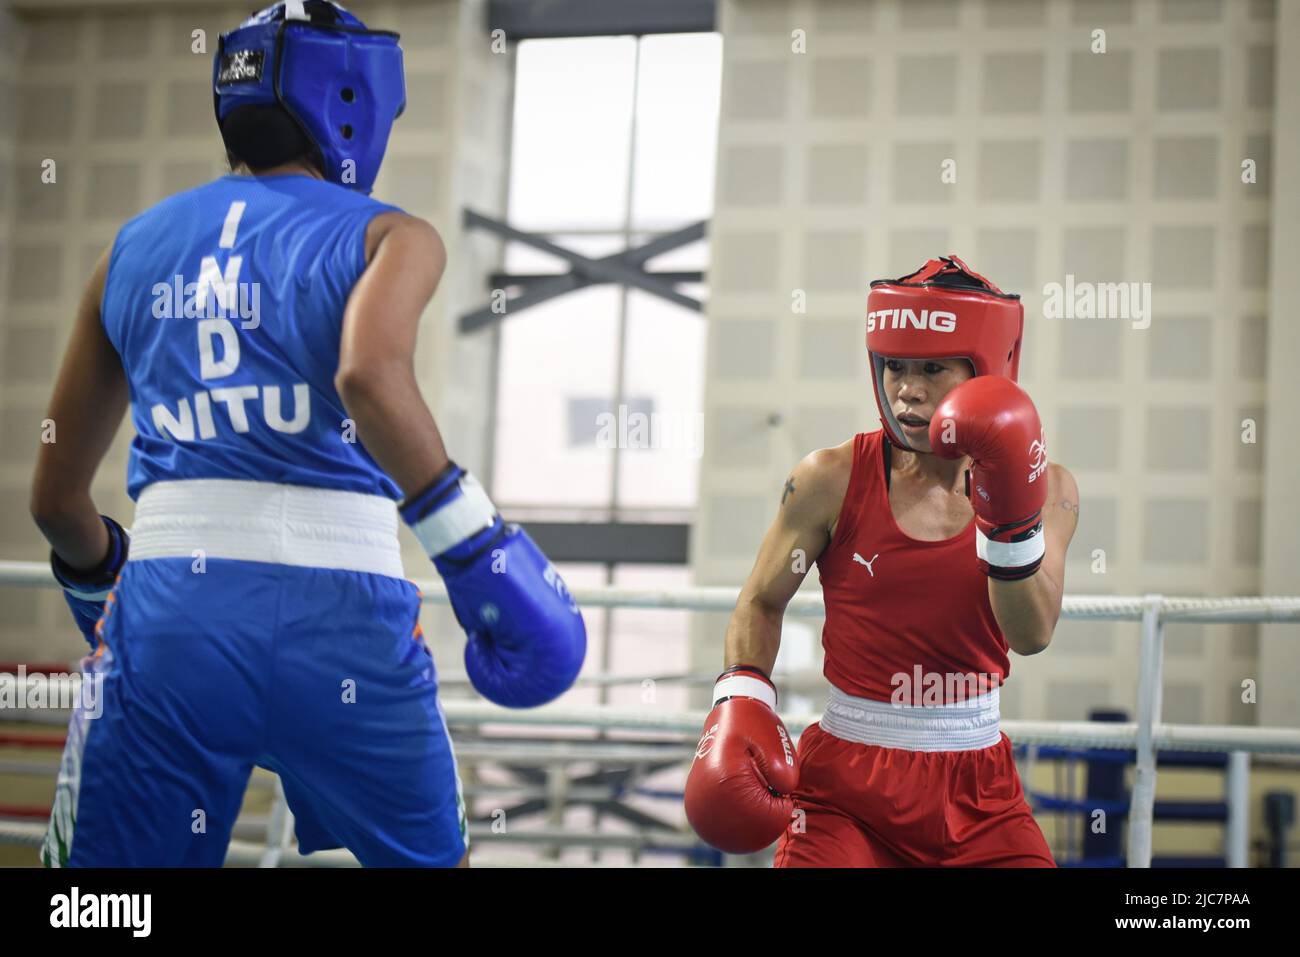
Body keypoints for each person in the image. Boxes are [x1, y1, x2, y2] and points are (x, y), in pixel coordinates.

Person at [29, 0, 586, 868]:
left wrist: (113, 611)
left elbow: (57, 502)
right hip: (347, 624)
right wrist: (480, 549)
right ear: (355, 101)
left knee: (107, 908)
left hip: (172, 621)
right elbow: (367, 375)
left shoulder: (129, 250)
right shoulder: (392, 236)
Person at [685, 255, 1078, 866]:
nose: (907, 389)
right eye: (894, 365)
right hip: (847, 788)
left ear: (986, 371)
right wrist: (742, 699)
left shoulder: (1047, 490)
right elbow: (761, 600)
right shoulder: (829, 478)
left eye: (932, 368)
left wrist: (1007, 524)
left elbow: (1031, 635)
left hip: (980, 789)